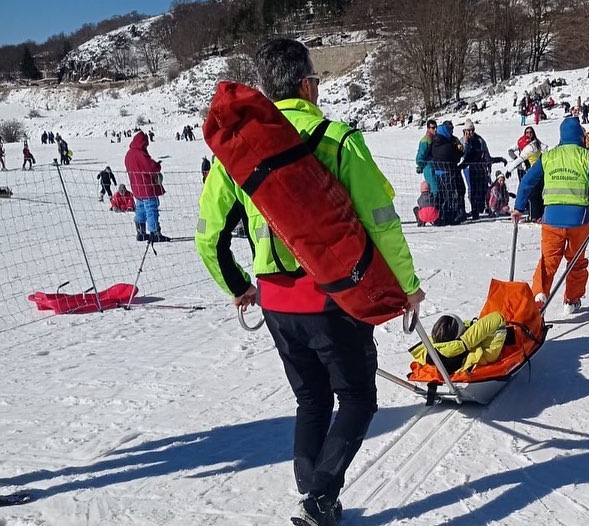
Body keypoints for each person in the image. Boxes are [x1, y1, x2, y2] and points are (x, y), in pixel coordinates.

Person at [195, 38, 424, 526]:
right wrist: (407, 285)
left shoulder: (235, 155)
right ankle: (319, 497)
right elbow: (381, 219)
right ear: (305, 84)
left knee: (311, 398)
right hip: (333, 297)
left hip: (276, 305)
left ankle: (314, 492)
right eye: (316, 80)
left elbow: (209, 237)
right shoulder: (337, 138)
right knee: (359, 398)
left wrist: (239, 287)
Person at [512, 117, 589, 314]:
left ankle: (539, 295)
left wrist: (519, 207)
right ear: (580, 135)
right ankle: (571, 301)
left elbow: (528, 181)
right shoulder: (588, 156)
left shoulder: (548, 156)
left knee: (548, 261)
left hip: (552, 219)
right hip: (578, 220)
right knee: (576, 261)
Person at [410, 312, 507, 374]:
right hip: (478, 358)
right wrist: (464, 343)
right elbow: (498, 318)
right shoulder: (479, 356)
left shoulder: (427, 353)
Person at [125, 130, 168, 242]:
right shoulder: (140, 154)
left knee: (140, 209)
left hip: (137, 188)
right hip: (146, 187)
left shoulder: (129, 154)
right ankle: (155, 233)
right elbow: (150, 167)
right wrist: (157, 166)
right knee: (151, 209)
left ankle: (141, 232)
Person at [461, 119, 505, 220]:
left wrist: (489, 163)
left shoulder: (480, 140)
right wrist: (466, 142)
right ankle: (474, 209)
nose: (470, 132)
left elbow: (486, 154)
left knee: (481, 187)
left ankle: (480, 206)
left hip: (479, 166)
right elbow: (463, 154)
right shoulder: (463, 140)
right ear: (465, 130)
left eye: (472, 130)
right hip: (468, 167)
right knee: (471, 188)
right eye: (468, 130)